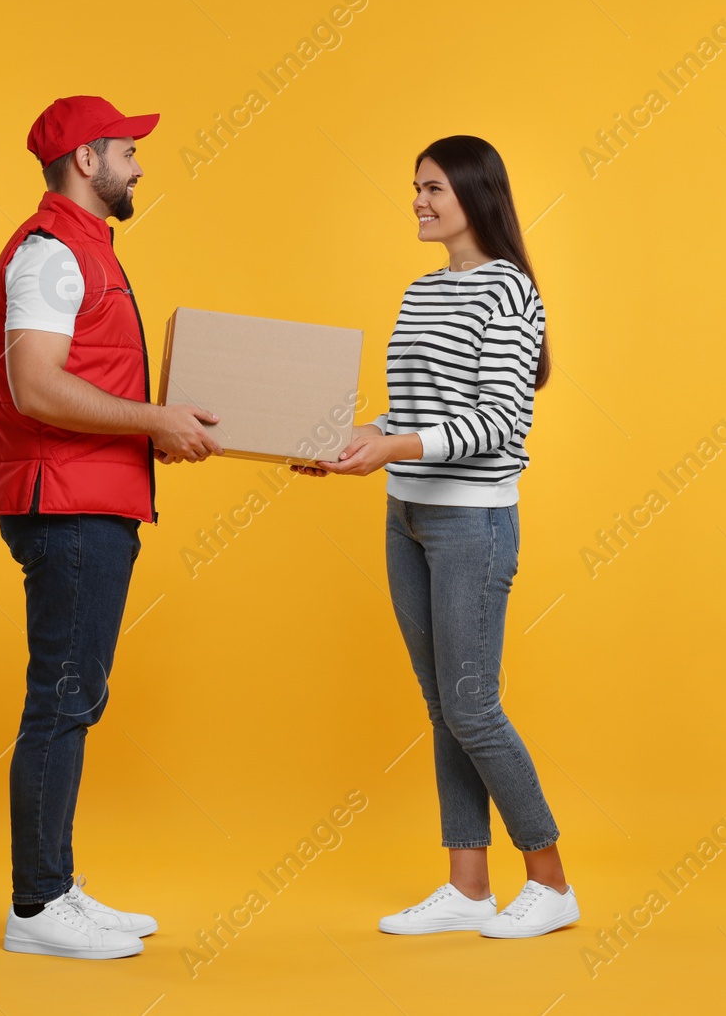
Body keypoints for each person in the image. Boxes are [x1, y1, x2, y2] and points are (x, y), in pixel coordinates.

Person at [300, 135, 579, 939]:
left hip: (473, 522)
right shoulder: (421, 293)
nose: (418, 201)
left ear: (473, 193)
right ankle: (466, 888)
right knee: (443, 706)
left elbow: (499, 422)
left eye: (432, 188)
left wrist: (392, 447)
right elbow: (412, 414)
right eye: (415, 188)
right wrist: (352, 438)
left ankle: (552, 881)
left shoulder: (512, 293)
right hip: (407, 514)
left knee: (473, 705)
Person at [0, 95, 221, 959]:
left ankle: (56, 884)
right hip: (68, 503)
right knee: (63, 697)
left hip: (93, 497)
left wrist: (158, 425)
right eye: (127, 149)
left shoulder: (85, 250)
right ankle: (37, 908)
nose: (138, 165)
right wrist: (154, 419)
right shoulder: (50, 255)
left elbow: (85, 382)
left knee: (74, 695)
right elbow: (36, 387)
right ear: (87, 160)